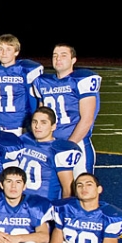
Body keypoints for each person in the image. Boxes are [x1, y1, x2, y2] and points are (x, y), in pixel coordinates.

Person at [33, 44, 101, 174]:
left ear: (73, 60)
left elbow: (87, 119)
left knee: (81, 189)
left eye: (63, 55)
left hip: (77, 143)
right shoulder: (42, 82)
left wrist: (68, 146)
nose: (58, 59)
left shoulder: (81, 80)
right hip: (50, 144)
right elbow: (41, 116)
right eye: (55, 55)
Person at [20, 106, 84, 199]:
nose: (37, 126)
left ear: (53, 126)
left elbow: (68, 189)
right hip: (21, 202)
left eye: (43, 122)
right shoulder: (24, 140)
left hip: (45, 205)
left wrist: (63, 210)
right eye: (35, 122)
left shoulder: (59, 150)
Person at [0, 34, 43, 135]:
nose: (4, 53)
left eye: (8, 49)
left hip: (20, 125)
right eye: (0, 49)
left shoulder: (25, 69)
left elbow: (38, 99)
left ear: (16, 52)